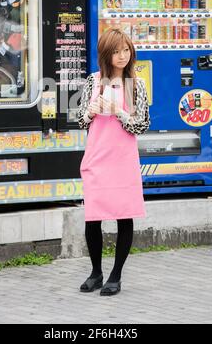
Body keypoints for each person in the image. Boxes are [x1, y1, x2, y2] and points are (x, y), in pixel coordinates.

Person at [77, 29, 150, 296]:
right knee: (92, 217)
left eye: (126, 50)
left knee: (124, 216)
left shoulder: (135, 84)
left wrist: (118, 112)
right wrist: (89, 112)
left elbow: (142, 125)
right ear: (106, 54)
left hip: (123, 159)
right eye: (116, 51)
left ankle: (115, 276)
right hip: (97, 156)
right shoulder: (93, 82)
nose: (122, 56)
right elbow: (81, 121)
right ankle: (96, 272)